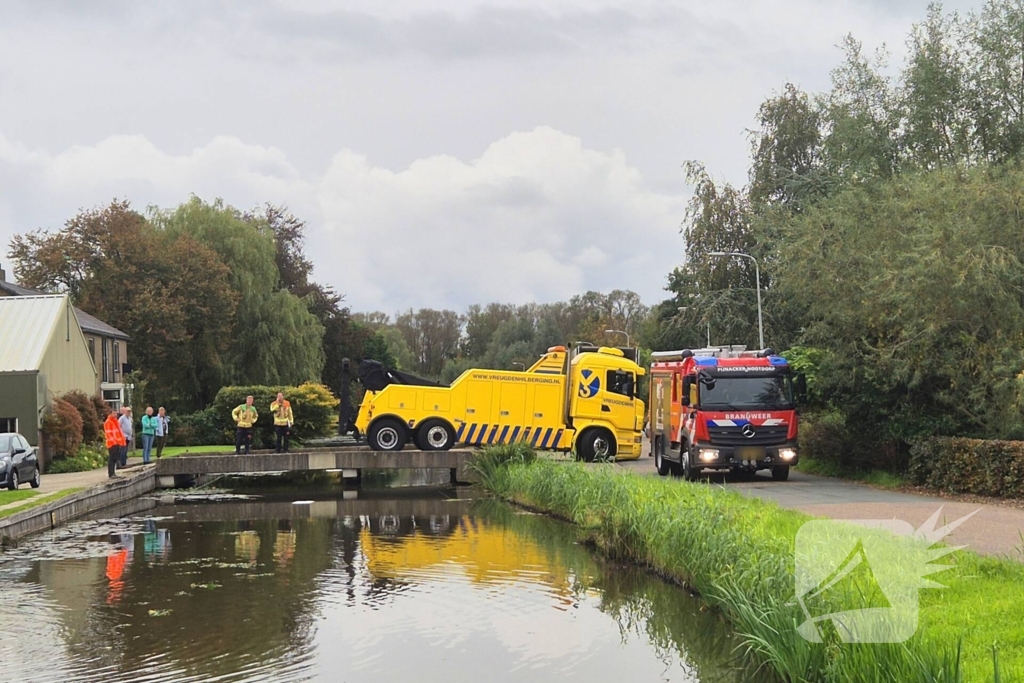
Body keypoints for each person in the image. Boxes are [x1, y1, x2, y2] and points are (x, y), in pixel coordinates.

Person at [104, 406, 126, 478]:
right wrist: (114, 442)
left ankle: (113, 473)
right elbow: (108, 433)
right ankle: (111, 473)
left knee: (114, 458)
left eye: (116, 413)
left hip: (116, 443)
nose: (115, 415)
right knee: (112, 458)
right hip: (112, 443)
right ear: (110, 414)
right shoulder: (108, 422)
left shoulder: (115, 421)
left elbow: (119, 432)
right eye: (113, 413)